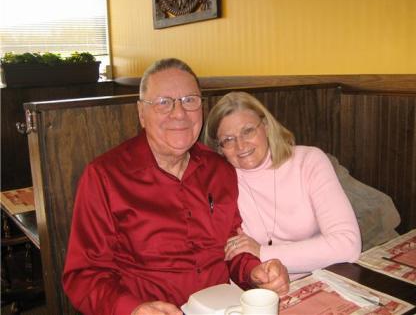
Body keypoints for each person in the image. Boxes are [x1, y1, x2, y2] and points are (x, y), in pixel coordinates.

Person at [62, 59, 289, 315]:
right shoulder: (104, 176)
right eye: (163, 102)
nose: (179, 113)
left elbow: (232, 246)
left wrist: (253, 271)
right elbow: (84, 275)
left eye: (189, 100)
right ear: (141, 113)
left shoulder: (220, 169)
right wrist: (132, 309)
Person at [203, 91, 362, 277]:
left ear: (266, 127)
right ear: (219, 149)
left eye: (248, 131)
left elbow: (348, 245)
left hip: (318, 279)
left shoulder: (309, 161)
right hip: (259, 289)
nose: (241, 145)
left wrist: (263, 252)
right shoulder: (221, 183)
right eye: (228, 140)